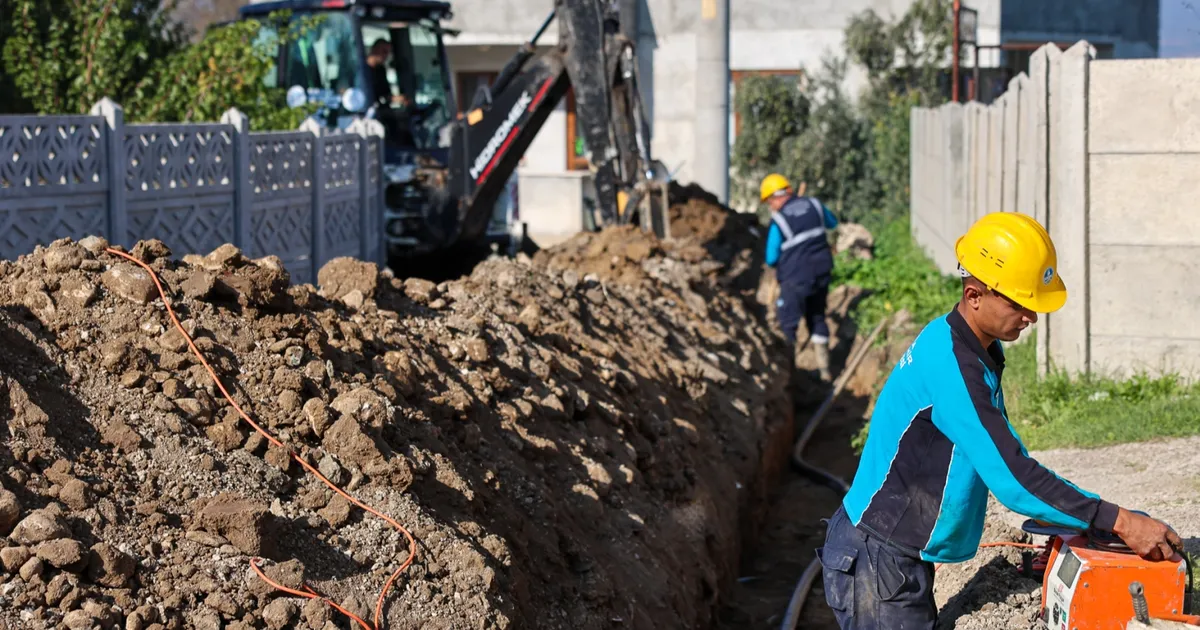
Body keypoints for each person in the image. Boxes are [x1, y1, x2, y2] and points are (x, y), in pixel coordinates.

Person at [818, 211, 1184, 629]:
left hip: (892, 556)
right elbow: (1013, 477)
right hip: (878, 561)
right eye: (1019, 303)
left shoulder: (972, 347)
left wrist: (1082, 520)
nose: (1030, 315)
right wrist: (1118, 520)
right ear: (975, 295)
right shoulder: (954, 367)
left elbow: (1005, 458)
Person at [760, 173, 839, 380]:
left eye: (769, 202)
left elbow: (771, 257)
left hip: (795, 278)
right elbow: (832, 223)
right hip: (822, 271)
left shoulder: (779, 220)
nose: (770, 206)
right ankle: (824, 370)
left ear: (775, 198)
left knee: (788, 322)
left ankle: (790, 377)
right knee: (817, 316)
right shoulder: (814, 204)